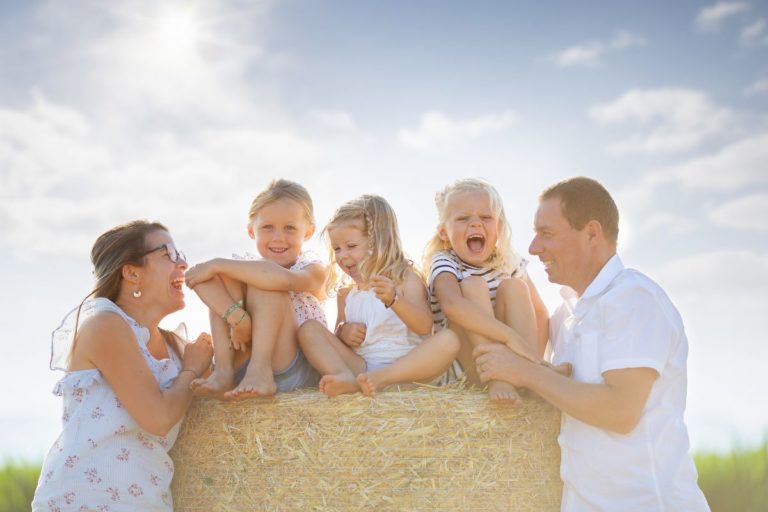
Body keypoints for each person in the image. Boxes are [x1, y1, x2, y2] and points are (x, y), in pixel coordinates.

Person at [474, 177, 710, 511]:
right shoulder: (565, 314)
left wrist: (526, 373)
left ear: (592, 233)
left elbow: (620, 411)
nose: (533, 247)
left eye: (547, 234)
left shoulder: (633, 298)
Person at [32, 220, 213, 511]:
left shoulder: (175, 347)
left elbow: (227, 385)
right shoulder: (105, 324)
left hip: (145, 502)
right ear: (131, 273)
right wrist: (191, 370)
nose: (183, 263)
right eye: (168, 254)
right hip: (85, 500)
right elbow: (157, 417)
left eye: (181, 254)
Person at [298, 195, 460, 397]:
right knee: (309, 329)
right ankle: (345, 376)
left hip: (409, 369)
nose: (342, 256)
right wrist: (342, 332)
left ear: (378, 242)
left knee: (449, 340)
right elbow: (337, 341)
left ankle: (383, 378)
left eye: (351, 246)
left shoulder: (405, 280)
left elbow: (425, 326)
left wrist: (395, 300)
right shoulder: (346, 294)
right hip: (363, 368)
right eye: (337, 248)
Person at [185, 179, 327, 399]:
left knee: (266, 281)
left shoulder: (312, 269)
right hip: (241, 366)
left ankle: (260, 370)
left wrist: (217, 263)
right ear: (252, 231)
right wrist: (239, 319)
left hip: (291, 367)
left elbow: (282, 280)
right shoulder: (242, 266)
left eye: (289, 228)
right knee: (231, 278)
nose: (278, 237)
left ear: (308, 232)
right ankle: (223, 371)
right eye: (267, 227)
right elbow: (198, 279)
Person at [424, 178, 549, 403]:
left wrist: (534, 357)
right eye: (463, 218)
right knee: (473, 284)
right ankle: (497, 376)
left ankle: (533, 374)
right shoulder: (445, 261)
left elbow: (540, 315)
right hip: (470, 367)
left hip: (515, 363)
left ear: (498, 228)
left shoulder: (509, 263)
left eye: (486, 217)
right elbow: (451, 305)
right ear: (444, 233)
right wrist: (509, 337)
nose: (475, 224)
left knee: (514, 287)